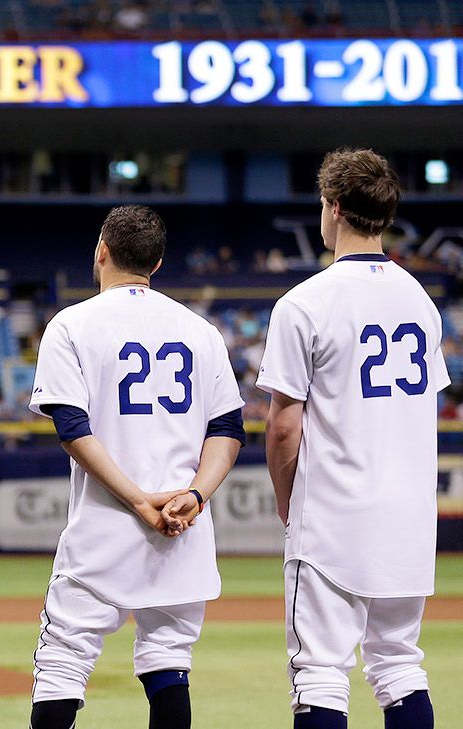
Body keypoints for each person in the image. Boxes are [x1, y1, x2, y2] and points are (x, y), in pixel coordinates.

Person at [26, 205, 245, 729]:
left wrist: (137, 500)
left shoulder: (71, 324)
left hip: (106, 525)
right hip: (182, 527)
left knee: (63, 663)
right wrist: (192, 496)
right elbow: (229, 431)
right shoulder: (201, 330)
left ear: (101, 251)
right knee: (169, 661)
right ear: (158, 262)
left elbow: (72, 428)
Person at [258, 149, 444, 729]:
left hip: (336, 514)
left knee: (319, 670)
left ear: (334, 208)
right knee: (399, 664)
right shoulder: (421, 299)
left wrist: (287, 499)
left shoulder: (305, 302)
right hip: (409, 516)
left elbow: (284, 425)